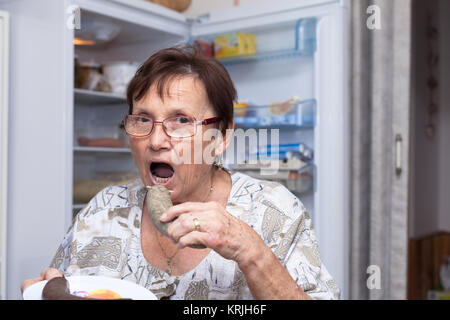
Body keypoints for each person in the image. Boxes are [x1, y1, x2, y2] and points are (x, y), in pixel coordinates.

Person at [21, 46, 339, 300]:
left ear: (221, 138)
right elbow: (62, 286)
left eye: (181, 121)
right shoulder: (102, 210)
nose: (156, 141)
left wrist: (250, 251)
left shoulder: (276, 212)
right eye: (142, 119)